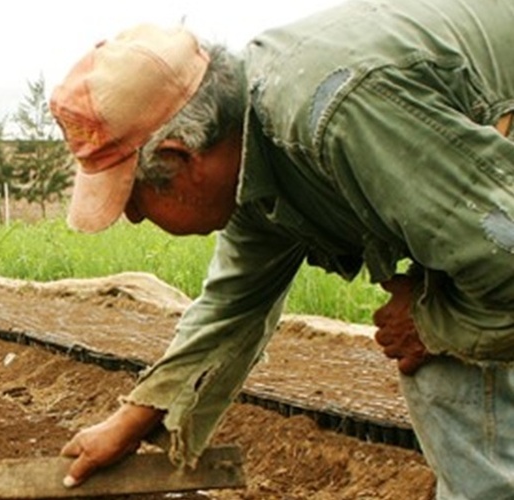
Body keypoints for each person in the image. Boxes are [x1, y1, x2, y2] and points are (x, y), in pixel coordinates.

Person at [49, 1, 514, 498]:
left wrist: (427, 322)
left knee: (449, 371)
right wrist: (133, 418)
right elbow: (233, 305)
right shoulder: (251, 149)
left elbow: (502, 260)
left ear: (179, 158)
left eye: (134, 198)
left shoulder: (335, 117)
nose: (135, 217)